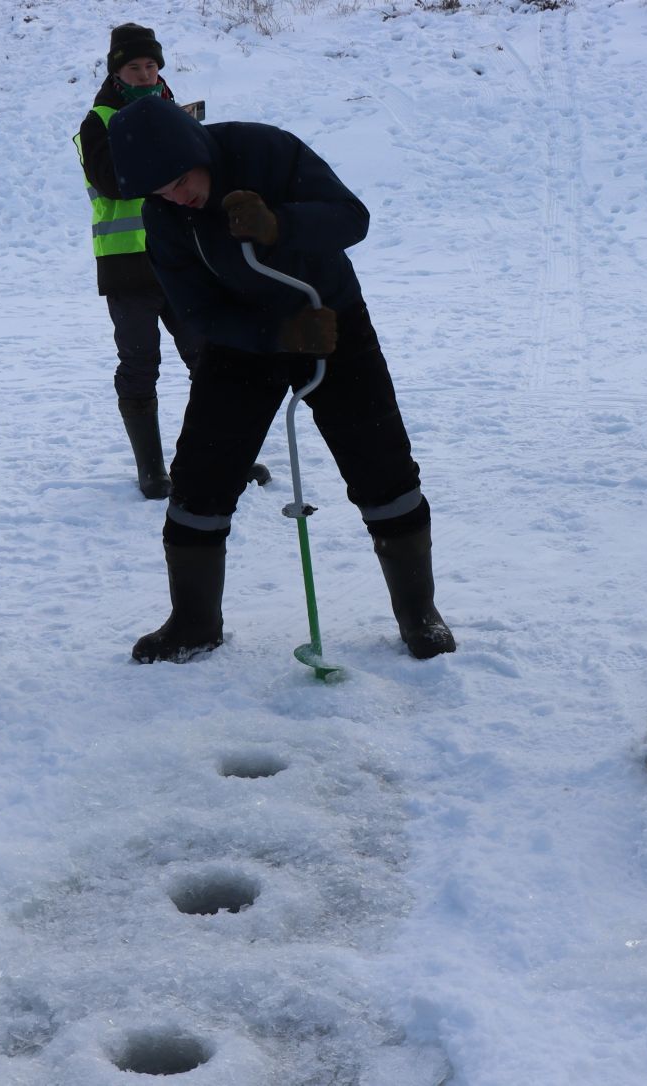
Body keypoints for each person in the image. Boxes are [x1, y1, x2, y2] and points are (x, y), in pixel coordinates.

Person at [106, 96, 455, 663]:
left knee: (381, 463)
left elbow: (351, 217)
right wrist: (273, 335)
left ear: (194, 151)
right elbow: (195, 312)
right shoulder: (165, 215)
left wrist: (280, 225)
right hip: (246, 341)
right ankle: (193, 623)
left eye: (177, 180)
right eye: (158, 191)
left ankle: (419, 613)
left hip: (332, 321)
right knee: (200, 474)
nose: (175, 196)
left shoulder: (263, 149)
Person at [73, 23, 206, 500]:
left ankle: (217, 453)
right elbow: (113, 182)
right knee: (139, 362)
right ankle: (151, 470)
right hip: (127, 264)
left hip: (181, 257)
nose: (146, 74)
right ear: (117, 71)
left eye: (152, 66)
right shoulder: (99, 122)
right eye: (135, 67)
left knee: (208, 356)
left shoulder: (172, 110)